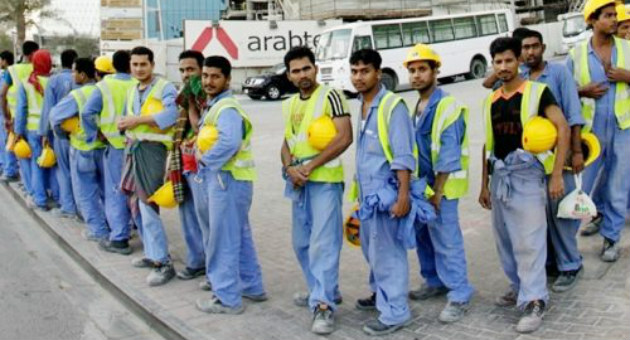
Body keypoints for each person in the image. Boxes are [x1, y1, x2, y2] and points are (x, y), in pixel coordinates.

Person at [479, 37, 569, 334]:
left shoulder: (538, 92)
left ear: (519, 60)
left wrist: (556, 175)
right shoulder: (490, 100)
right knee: (505, 241)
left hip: (528, 177)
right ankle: (518, 286)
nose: (503, 67)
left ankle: (535, 299)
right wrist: (484, 184)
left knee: (529, 240)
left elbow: (563, 129)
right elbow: (487, 145)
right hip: (500, 178)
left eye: (508, 60)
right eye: (498, 62)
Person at [280, 46, 352, 335]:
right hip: (298, 183)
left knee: (324, 244)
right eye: (296, 71)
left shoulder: (331, 95)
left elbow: (344, 137)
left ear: (315, 68)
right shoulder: (289, 104)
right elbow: (287, 144)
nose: (303, 75)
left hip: (324, 182)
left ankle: (323, 305)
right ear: (289, 75)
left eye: (306, 68)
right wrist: (289, 169)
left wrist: (308, 168)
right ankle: (321, 290)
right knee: (301, 243)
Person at [405, 44, 475, 323]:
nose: (416, 75)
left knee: (447, 240)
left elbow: (448, 153)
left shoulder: (447, 105)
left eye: (423, 69)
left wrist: (438, 192)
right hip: (422, 186)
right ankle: (434, 281)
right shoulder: (418, 105)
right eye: (412, 70)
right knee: (424, 237)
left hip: (441, 189)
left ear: (436, 71)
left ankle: (459, 293)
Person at [349, 49, 416, 336]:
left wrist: (403, 197)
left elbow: (402, 155)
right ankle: (381, 295)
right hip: (368, 197)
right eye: (354, 71)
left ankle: (396, 312)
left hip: (387, 195)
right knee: (373, 250)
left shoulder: (392, 106)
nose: (358, 77)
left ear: (378, 73)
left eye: (365, 71)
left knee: (388, 254)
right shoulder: (363, 105)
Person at [194, 55, 266, 314]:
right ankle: (252, 286)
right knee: (239, 235)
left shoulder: (227, 109)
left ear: (227, 79)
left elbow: (229, 142)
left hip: (227, 180)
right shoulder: (217, 105)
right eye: (205, 76)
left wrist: (204, 158)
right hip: (233, 181)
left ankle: (226, 298)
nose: (208, 81)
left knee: (222, 239)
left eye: (215, 76)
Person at [518, 29, 586, 291]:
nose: (530, 52)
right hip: (531, 161)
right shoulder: (519, 76)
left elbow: (573, 112)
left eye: (535, 46)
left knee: (561, 214)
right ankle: (550, 263)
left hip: (559, 156)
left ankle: (571, 264)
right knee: (537, 216)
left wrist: (576, 151)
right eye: (525, 47)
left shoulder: (558, 74)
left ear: (543, 47)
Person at [567, 0, 630, 262]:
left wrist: (628, 77)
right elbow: (565, 93)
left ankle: (611, 239)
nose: (614, 19)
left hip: (622, 128)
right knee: (580, 186)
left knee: (618, 186)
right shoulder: (577, 54)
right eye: (608, 15)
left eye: (615, 15)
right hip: (590, 134)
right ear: (592, 20)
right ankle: (567, 247)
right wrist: (583, 90)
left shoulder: (627, 48)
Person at [118, 46, 178, 286]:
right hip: (134, 149)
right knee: (138, 204)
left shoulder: (165, 88)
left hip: (153, 152)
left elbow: (171, 115)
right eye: (135, 65)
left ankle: (163, 262)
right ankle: (153, 253)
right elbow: (127, 118)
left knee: (148, 204)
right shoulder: (133, 89)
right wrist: (125, 125)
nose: (139, 69)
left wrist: (136, 120)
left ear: (152, 65)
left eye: (143, 64)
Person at [82, 51, 136, 255]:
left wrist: (96, 133)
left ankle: (119, 238)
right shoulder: (138, 83)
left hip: (115, 145)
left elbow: (87, 112)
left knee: (116, 191)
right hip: (138, 145)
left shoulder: (104, 85)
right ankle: (134, 229)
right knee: (136, 191)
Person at [50, 57, 108, 242]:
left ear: (83, 75)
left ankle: (98, 230)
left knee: (86, 193)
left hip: (83, 150)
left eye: (74, 71)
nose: (72, 75)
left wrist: (63, 135)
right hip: (106, 149)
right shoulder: (104, 90)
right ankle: (115, 228)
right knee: (108, 192)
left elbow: (55, 116)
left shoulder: (78, 95)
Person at [172, 50, 206, 281]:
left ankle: (208, 266)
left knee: (204, 218)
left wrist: (192, 101)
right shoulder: (184, 94)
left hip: (201, 163)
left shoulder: (203, 94)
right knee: (187, 213)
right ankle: (196, 261)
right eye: (183, 70)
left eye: (191, 69)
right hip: (184, 159)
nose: (186, 75)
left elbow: (199, 128)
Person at [14, 48, 57, 211]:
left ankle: (39, 198)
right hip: (52, 129)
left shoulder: (26, 83)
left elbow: (21, 110)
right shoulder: (55, 81)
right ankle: (56, 196)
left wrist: (18, 132)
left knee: (36, 164)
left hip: (32, 130)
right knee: (52, 162)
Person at [41, 49, 78, 218]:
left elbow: (48, 109)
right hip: (79, 132)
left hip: (60, 132)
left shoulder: (54, 80)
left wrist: (44, 133)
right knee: (80, 172)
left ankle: (68, 206)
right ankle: (81, 207)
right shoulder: (80, 78)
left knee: (63, 170)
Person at [3, 41, 38, 193]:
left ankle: (29, 188)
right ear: (32, 54)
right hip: (34, 119)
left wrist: (6, 117)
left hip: (16, 118)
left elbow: (2, 94)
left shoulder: (12, 70)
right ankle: (38, 192)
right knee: (36, 157)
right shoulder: (38, 68)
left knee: (22, 153)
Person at [0, 50, 17, 182]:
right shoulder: (6, 74)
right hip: (7, 114)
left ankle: (10, 170)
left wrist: (6, 116)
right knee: (5, 142)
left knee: (8, 142)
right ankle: (6, 167)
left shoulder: (9, 74)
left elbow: (3, 96)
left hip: (8, 115)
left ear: (5, 61)